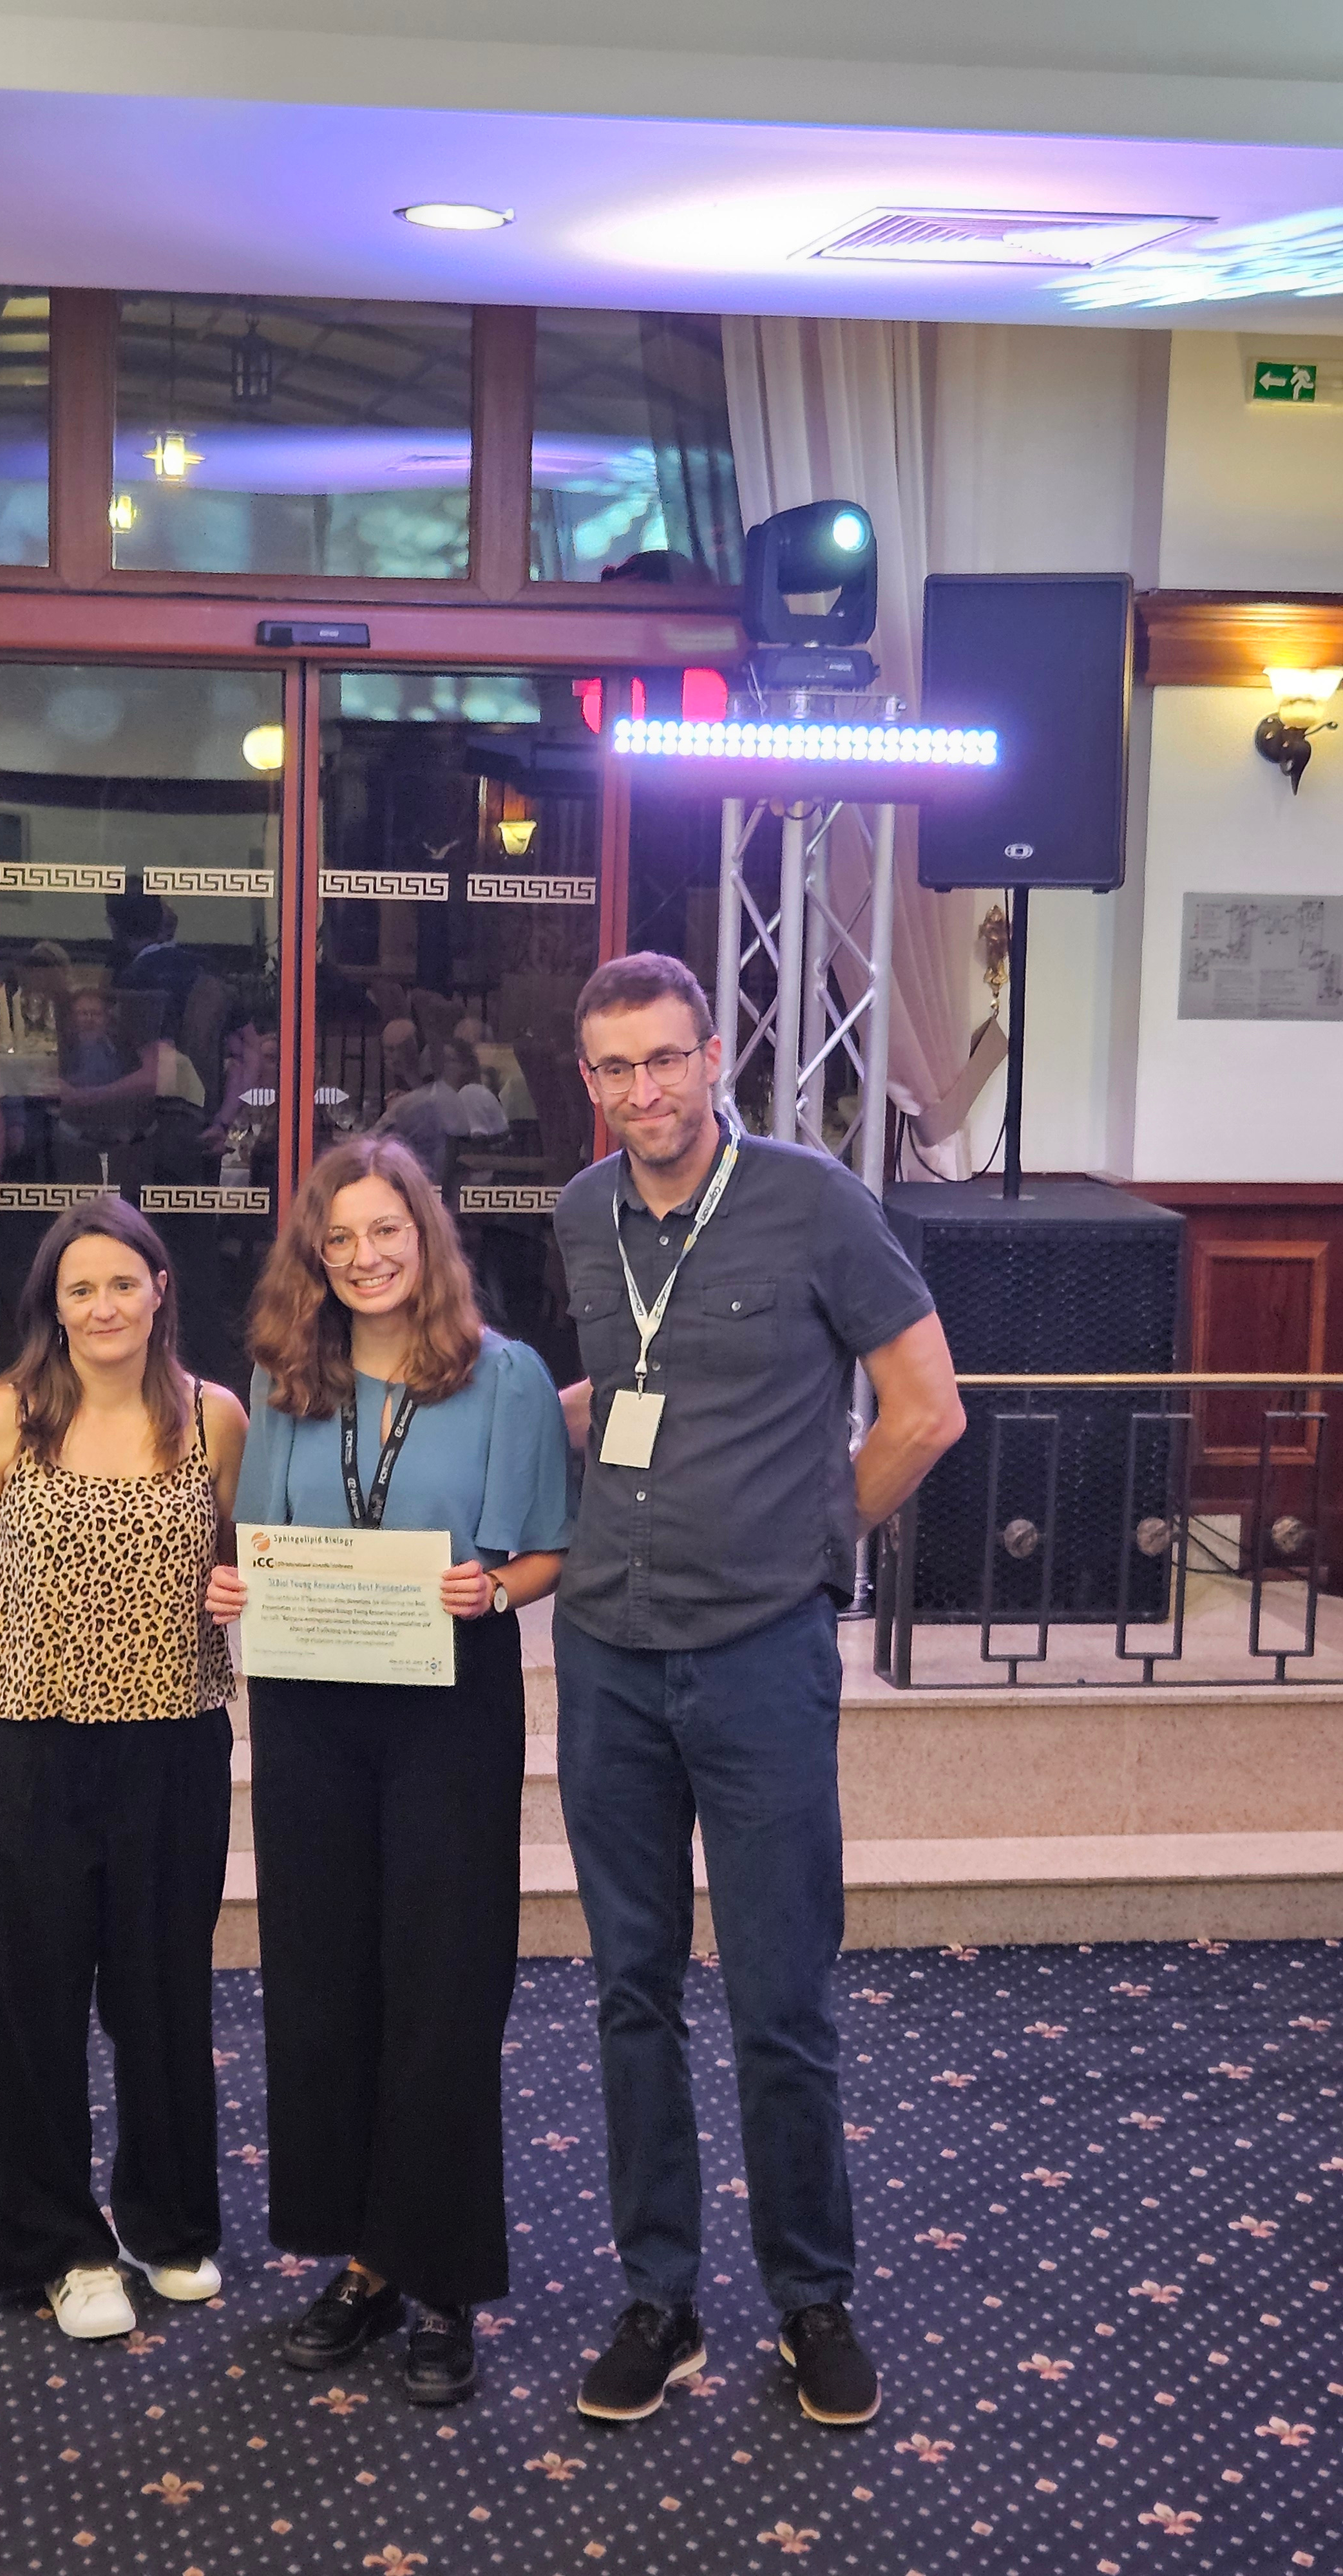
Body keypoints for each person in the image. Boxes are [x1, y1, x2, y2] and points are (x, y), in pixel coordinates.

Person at [551, 952, 964, 2429]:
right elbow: (615, 1391)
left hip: (759, 1655)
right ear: (587, 1080)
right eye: (614, 1068)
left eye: (665, 1059)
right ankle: (657, 2294)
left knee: (783, 1995)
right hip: (605, 1651)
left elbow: (928, 1408)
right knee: (630, 1990)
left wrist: (812, 1538)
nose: (643, 1090)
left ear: (714, 1054)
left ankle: (812, 2297)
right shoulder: (580, 1217)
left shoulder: (814, 1202)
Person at [207, 1135, 571, 2406]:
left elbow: (548, 1555)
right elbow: (258, 1543)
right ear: (316, 1253)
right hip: (311, 1710)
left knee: (443, 1988)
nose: (364, 1257)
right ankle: (361, 2260)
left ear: (427, 1236)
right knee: (326, 1985)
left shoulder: (507, 1375)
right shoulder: (284, 1374)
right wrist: (234, 1584)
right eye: (340, 1238)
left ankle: (443, 2282)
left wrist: (494, 1583)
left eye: (385, 1231)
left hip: (447, 1709)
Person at [0, 1199, 248, 2342]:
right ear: (51, 1307)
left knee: (164, 1996)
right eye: (80, 1289)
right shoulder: (1, 1422)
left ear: (162, 1288)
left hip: (174, 1746)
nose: (104, 1305)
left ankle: (169, 2227)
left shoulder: (217, 1420)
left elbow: (235, 1561)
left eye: (124, 1282)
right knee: (30, 2003)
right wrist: (55, 1673)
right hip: (29, 1749)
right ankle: (58, 2245)